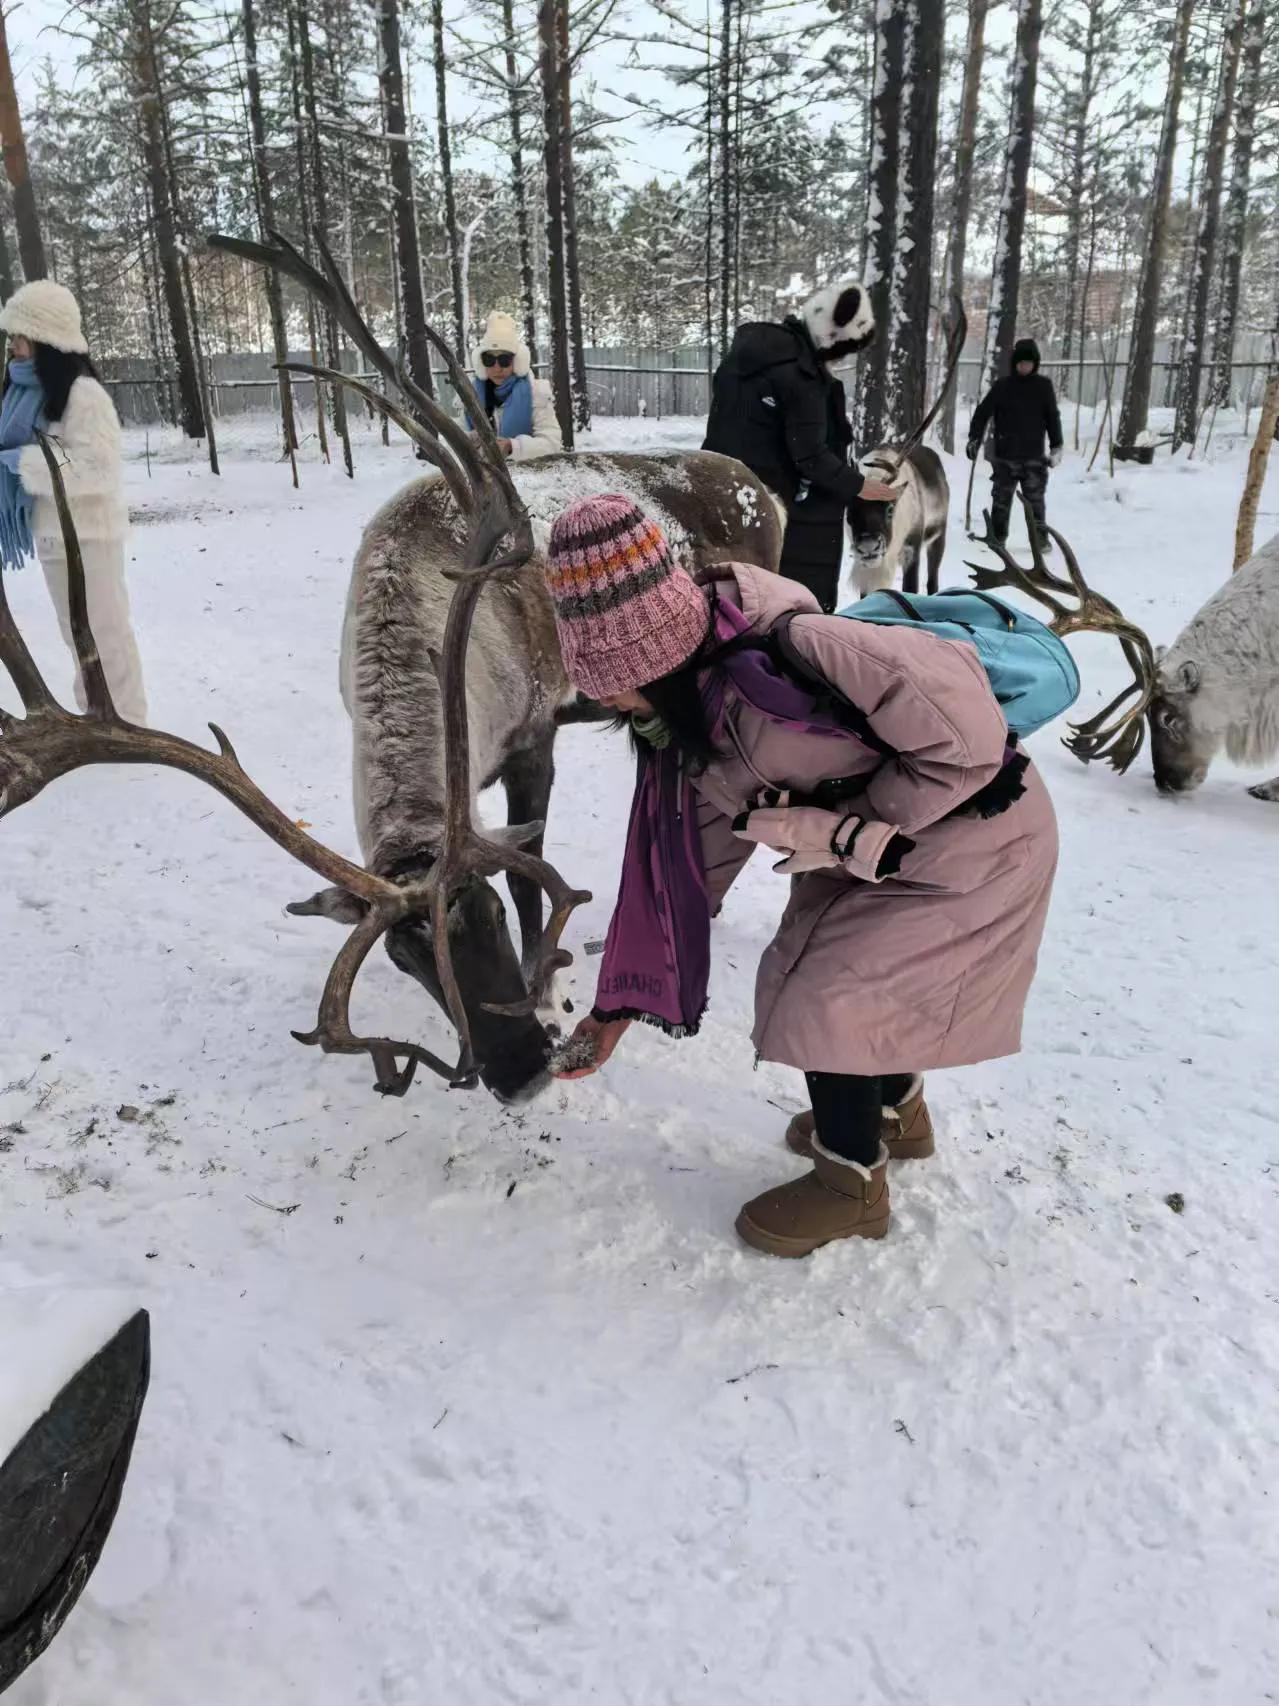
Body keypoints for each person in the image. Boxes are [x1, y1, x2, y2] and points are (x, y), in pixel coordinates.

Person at [544, 493, 1058, 1258]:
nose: (596, 696)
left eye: (609, 677)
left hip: (977, 843)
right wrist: (620, 1002)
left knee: (827, 997)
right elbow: (692, 865)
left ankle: (850, 1186)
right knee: (837, 981)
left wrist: (850, 824)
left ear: (659, 658)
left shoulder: (809, 650)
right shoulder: (695, 723)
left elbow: (968, 742)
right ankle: (892, 1111)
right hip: (876, 854)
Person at [702, 280, 899, 614]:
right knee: (796, 615)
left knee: (741, 603)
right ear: (833, 338)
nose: (841, 360)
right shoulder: (799, 375)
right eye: (846, 349)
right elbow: (810, 457)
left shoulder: (749, 359)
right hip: (793, 518)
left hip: (733, 498)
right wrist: (862, 486)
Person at [0, 280, 146, 724]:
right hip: (49, 533)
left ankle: (130, 722)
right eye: (10, 335)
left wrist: (23, 462)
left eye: (20, 334)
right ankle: (97, 715)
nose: (12, 344)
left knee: (105, 631)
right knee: (73, 635)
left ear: (48, 338)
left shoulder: (84, 395)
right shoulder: (19, 394)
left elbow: (99, 469)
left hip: (89, 533)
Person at [966, 337, 1063, 548]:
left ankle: (1040, 540)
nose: (1024, 366)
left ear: (1035, 363)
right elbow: (982, 413)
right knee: (1001, 502)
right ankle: (997, 539)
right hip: (1005, 457)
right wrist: (974, 438)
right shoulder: (1003, 386)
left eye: (1029, 362)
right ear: (1015, 363)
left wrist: (1057, 446)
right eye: (1021, 362)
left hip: (1033, 458)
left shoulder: (1043, 387)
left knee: (1035, 502)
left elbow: (1052, 417)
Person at [469, 309, 562, 462]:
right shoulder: (470, 395)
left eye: (504, 360)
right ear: (480, 363)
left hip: (528, 479)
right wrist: (467, 439)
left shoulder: (536, 393)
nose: (497, 368)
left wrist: (514, 446)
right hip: (482, 479)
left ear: (518, 361)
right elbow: (450, 444)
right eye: (489, 360)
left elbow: (552, 443)